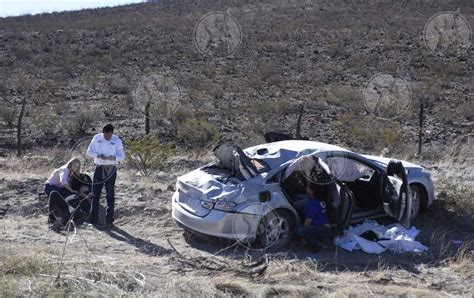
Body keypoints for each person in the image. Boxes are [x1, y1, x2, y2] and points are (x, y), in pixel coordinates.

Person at [86, 124, 125, 226]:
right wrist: (98, 155)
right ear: (103, 132)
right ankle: (93, 220)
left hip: (111, 169)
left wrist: (113, 158)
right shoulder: (97, 138)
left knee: (110, 195)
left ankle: (109, 220)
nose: (106, 137)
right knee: (95, 194)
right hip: (99, 168)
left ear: (112, 133)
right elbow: (89, 151)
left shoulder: (117, 140)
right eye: (105, 135)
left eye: (108, 136)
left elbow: (122, 156)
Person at [297, 183, 335, 250]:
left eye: (308, 187)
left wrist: (304, 238)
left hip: (322, 229)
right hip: (326, 227)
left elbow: (308, 221)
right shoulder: (319, 199)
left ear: (311, 191)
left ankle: (319, 243)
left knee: (301, 231)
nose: (306, 188)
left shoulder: (312, 203)